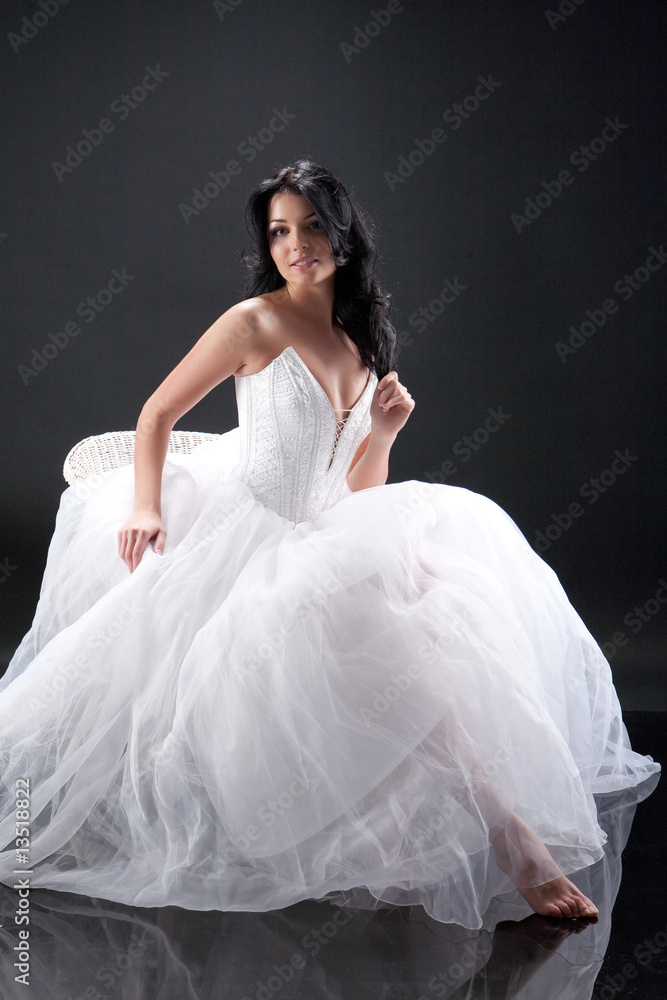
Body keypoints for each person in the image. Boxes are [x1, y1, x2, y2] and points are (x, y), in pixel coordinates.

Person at [0, 160, 659, 930]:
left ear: (342, 236)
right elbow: (155, 414)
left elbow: (359, 496)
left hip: (323, 532)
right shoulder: (252, 322)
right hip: (245, 530)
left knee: (427, 615)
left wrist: (381, 432)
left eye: (311, 226)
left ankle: (476, 827)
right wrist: (144, 505)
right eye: (279, 231)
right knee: (389, 639)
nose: (295, 244)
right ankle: (510, 836)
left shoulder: (358, 337)